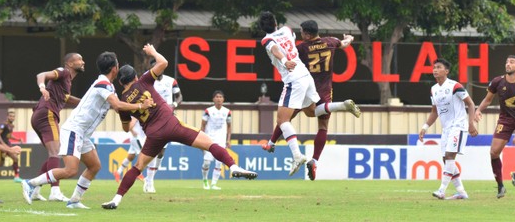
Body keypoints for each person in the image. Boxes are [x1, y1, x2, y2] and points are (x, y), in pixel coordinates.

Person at [101, 44, 257, 210]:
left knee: (138, 167)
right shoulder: (144, 81)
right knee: (210, 144)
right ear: (136, 76)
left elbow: (126, 128)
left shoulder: (122, 102)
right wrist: (152, 51)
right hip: (171, 124)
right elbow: (163, 62)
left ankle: (116, 199)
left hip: (154, 134)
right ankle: (233, 167)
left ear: (120, 81)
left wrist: (136, 110)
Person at [21, 51, 155, 209]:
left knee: (95, 166)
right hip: (74, 130)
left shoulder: (108, 86)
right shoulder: (103, 84)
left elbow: (119, 108)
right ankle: (30, 184)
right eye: (117, 63)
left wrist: (138, 112)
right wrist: (140, 106)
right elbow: (118, 105)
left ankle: (74, 200)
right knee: (70, 170)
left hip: (83, 134)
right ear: (114, 68)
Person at [258, 11, 361, 177]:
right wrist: (349, 39)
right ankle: (340, 106)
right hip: (315, 84)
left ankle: (295, 155)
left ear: (306, 34)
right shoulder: (289, 31)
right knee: (315, 118)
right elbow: (344, 43)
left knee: (283, 119)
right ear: (276, 23)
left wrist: (284, 61)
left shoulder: (296, 46)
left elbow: (275, 48)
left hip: (295, 80)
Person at [474, 55, 515, 199]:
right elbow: (488, 99)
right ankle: (500, 186)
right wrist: (478, 110)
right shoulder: (498, 81)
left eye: (512, 62)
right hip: (505, 121)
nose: (508, 64)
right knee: (493, 152)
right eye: (506, 62)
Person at [419, 58, 478, 200]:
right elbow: (435, 111)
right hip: (446, 129)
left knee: (450, 156)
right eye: (434, 67)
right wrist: (425, 127)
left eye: (438, 67)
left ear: (446, 71)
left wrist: (471, 123)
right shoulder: (434, 89)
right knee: (446, 159)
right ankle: (461, 192)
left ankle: (441, 190)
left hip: (458, 126)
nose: (435, 70)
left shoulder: (455, 86)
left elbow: (470, 104)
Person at [30, 52, 85, 202]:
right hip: (47, 113)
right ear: (70, 64)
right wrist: (42, 87)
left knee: (53, 152)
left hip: (40, 114)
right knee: (56, 152)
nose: (83, 62)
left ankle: (34, 190)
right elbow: (41, 74)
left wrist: (87, 102)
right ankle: (55, 191)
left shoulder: (66, 81)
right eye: (79, 59)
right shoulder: (63, 71)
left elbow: (67, 99)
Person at [141, 58, 183, 193]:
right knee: (152, 149)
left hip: (167, 118)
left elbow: (179, 97)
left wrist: (174, 105)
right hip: (151, 119)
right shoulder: (146, 79)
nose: (157, 70)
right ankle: (150, 181)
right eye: (154, 68)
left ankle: (150, 179)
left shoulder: (171, 81)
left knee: (161, 152)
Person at [201, 90, 232, 190]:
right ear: (213, 99)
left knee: (219, 162)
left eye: (220, 97)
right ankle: (205, 180)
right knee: (206, 162)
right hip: (209, 139)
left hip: (221, 140)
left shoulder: (227, 112)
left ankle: (214, 184)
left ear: (223, 99)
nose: (219, 99)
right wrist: (201, 138)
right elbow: (203, 125)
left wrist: (228, 140)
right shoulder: (208, 111)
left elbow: (229, 126)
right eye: (217, 97)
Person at [0, 110, 23, 182]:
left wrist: (18, 139)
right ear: (7, 116)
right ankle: (16, 177)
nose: (12, 117)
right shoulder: (3, 125)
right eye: (10, 116)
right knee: (14, 158)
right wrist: (2, 144)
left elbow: (9, 136)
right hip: (3, 146)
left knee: (1, 163)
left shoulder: (11, 126)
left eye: (13, 116)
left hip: (7, 144)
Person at [114, 117, 146, 184]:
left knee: (130, 157)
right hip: (137, 138)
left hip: (137, 138)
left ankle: (118, 172)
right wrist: (132, 131)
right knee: (142, 154)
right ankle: (139, 173)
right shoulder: (137, 115)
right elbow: (131, 124)